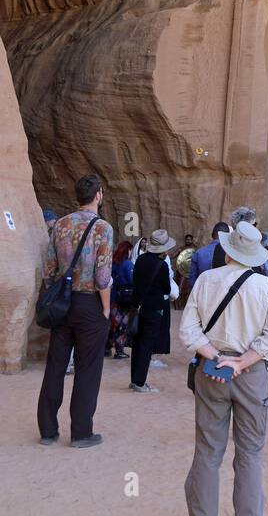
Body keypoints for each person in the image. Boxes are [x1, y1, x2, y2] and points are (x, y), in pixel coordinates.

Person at [180, 221, 268, 516]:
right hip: (250, 375)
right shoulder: (266, 287)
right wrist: (241, 362)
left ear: (227, 251)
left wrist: (215, 357)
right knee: (249, 453)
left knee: (208, 450)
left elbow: (188, 331)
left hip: (212, 370)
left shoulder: (206, 281)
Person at [36, 174, 114, 448]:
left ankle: (47, 430)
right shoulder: (102, 227)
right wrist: (106, 308)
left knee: (56, 365)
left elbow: (49, 269)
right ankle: (81, 433)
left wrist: (57, 294)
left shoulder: (60, 225)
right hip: (89, 302)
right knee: (87, 368)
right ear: (98, 195)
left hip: (63, 301)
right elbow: (103, 274)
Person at [129, 229, 175, 393]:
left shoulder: (140, 259)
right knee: (147, 345)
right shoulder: (161, 265)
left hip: (139, 307)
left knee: (138, 343)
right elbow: (167, 288)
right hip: (154, 308)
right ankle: (140, 382)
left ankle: (134, 379)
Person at [107, 239, 135, 359]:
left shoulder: (112, 262)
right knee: (122, 326)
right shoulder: (127, 264)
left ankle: (106, 348)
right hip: (124, 300)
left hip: (111, 298)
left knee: (112, 324)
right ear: (128, 250)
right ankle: (119, 351)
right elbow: (132, 280)